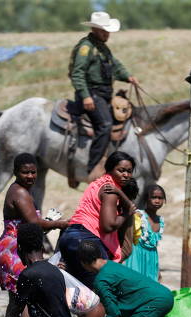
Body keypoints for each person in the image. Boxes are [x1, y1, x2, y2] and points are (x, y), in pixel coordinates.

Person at [58, 151, 136, 317]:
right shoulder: (110, 190)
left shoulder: (96, 183)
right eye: (121, 170)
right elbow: (108, 225)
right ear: (110, 169)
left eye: (129, 171)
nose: (126, 174)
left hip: (70, 236)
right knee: (97, 298)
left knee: (79, 295)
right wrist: (127, 214)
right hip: (87, 241)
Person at [0, 153, 69, 317]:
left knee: (17, 299)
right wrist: (59, 224)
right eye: (25, 172)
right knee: (28, 296)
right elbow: (33, 223)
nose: (30, 175)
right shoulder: (21, 193)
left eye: (33, 172)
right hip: (15, 248)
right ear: (15, 172)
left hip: (12, 246)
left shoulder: (21, 190)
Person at [69, 11, 139, 187]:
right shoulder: (86, 47)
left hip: (104, 94)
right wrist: (85, 96)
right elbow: (77, 74)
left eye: (107, 31)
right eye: (103, 30)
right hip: (91, 93)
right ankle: (92, 168)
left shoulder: (102, 47)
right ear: (94, 29)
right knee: (105, 125)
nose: (106, 34)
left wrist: (128, 76)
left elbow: (115, 66)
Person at [123, 184, 166, 282]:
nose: (157, 201)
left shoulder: (161, 221)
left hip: (151, 260)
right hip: (135, 258)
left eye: (160, 198)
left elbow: (154, 246)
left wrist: (158, 268)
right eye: (154, 197)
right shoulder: (138, 215)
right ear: (146, 199)